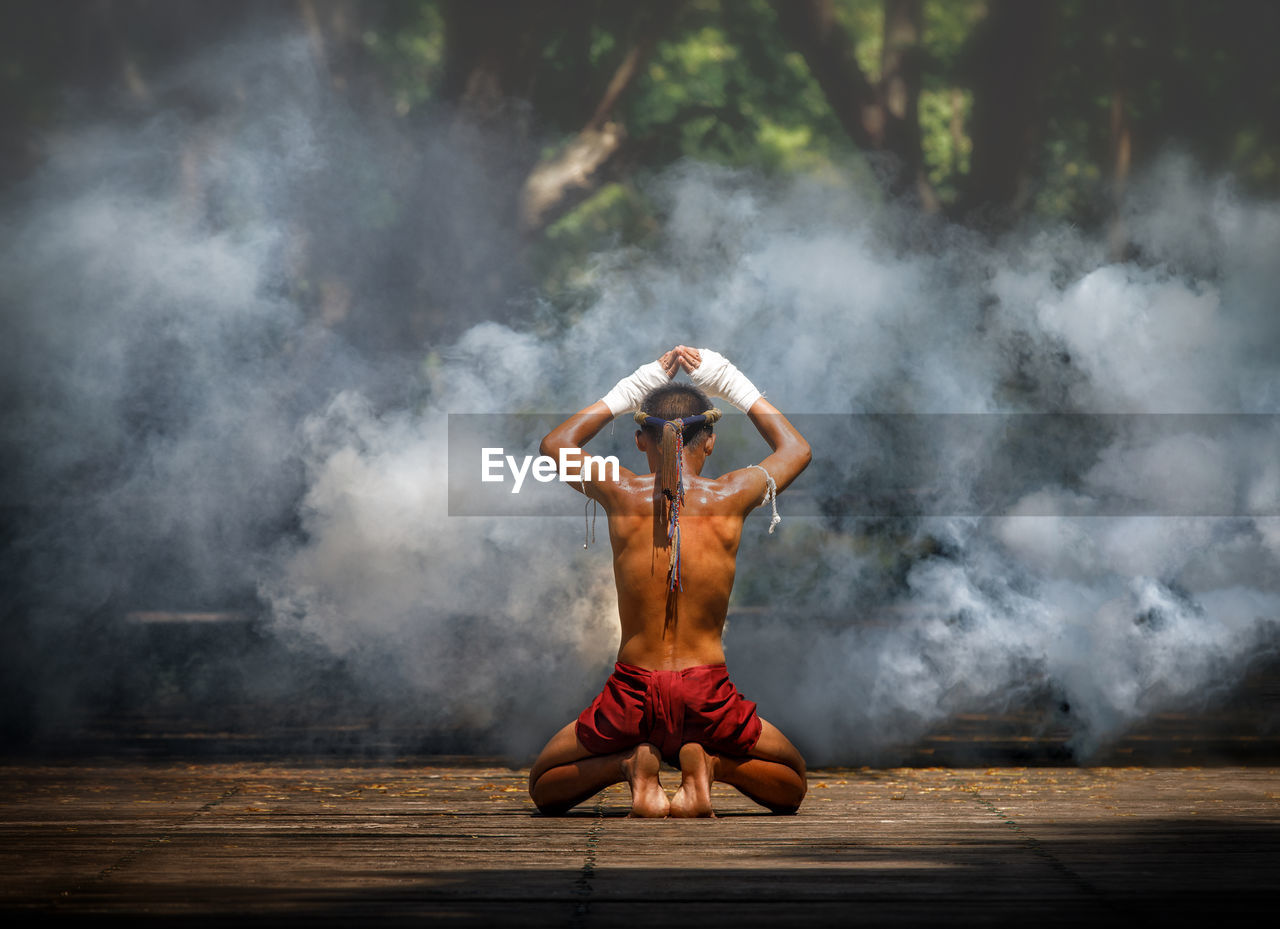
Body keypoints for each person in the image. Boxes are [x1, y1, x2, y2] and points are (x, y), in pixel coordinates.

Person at [528, 345, 811, 817]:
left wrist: (630, 390)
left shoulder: (619, 491)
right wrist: (731, 383)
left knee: (543, 784)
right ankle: (710, 768)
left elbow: (555, 446)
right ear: (711, 441)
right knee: (793, 780)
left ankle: (630, 765)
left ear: (640, 440)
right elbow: (796, 449)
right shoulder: (732, 494)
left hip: (631, 692)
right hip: (708, 693)